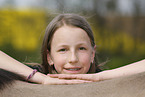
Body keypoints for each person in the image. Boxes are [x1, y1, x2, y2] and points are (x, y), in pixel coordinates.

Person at [0, 13, 145, 85]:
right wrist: (42, 79)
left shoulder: (99, 77)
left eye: (81, 48)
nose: (73, 59)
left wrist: (102, 77)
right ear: (49, 57)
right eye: (63, 50)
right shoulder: (38, 75)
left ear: (92, 53)